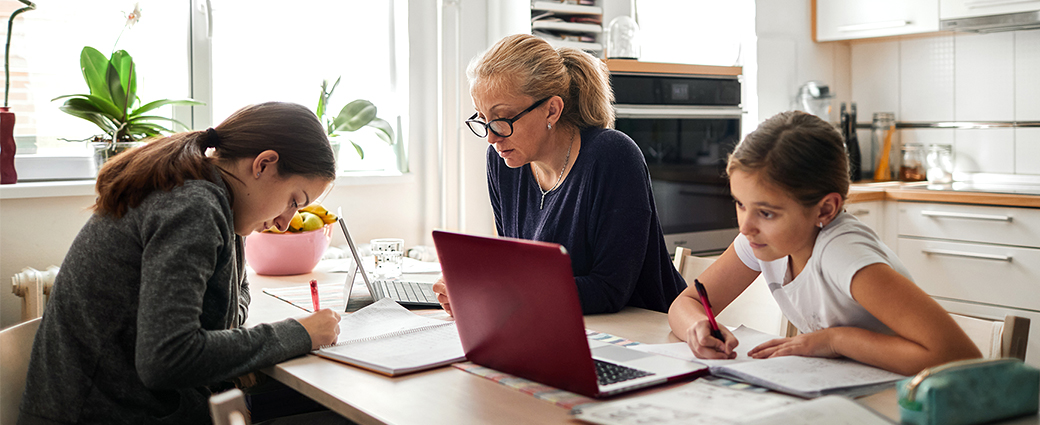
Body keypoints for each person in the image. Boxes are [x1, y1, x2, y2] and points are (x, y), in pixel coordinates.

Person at [19, 102, 346, 424]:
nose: (285, 222)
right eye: (294, 201)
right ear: (264, 164)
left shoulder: (220, 201)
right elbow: (167, 358)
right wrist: (299, 333)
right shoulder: (194, 207)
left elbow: (236, 295)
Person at [667, 111, 981, 376]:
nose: (746, 226)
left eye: (766, 212)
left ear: (825, 209)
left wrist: (834, 340)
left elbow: (959, 358)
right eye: (740, 204)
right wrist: (698, 327)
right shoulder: (762, 239)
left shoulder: (843, 254)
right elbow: (685, 304)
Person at [432, 34, 686, 315]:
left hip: (648, 334)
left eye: (502, 120)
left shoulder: (613, 156)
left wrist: (498, 292)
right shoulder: (502, 161)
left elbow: (610, 290)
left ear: (552, 110)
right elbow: (518, 269)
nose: (491, 137)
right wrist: (475, 288)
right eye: (482, 119)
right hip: (557, 324)